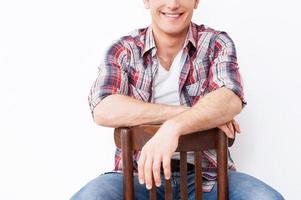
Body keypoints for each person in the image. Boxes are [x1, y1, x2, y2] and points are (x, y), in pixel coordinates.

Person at [71, 0, 284, 199]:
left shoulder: (216, 43)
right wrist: (185, 113)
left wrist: (173, 128)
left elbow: (230, 97)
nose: (173, 4)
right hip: (136, 177)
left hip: (209, 177)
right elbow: (103, 108)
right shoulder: (123, 49)